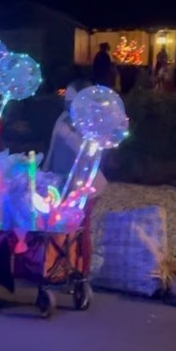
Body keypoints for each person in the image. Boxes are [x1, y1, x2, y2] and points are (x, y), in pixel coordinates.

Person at [43, 81, 107, 275]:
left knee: (81, 228)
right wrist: (44, 174)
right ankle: (58, 269)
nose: (68, 104)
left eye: (73, 100)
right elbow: (53, 149)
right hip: (59, 183)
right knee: (56, 228)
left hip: (85, 186)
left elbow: (90, 153)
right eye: (66, 100)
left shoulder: (92, 122)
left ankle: (82, 272)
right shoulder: (62, 118)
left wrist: (69, 136)